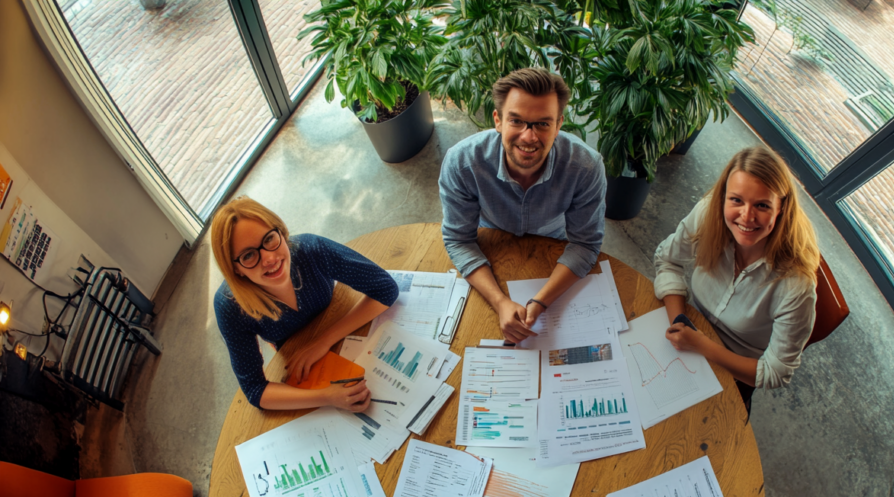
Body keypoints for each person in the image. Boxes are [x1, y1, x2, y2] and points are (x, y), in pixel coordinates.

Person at [439, 67, 607, 343]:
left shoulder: (586, 167)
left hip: (552, 240)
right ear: (498, 120)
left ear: (559, 124)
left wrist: (539, 303)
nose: (529, 137)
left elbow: (585, 244)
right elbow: (458, 239)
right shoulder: (462, 162)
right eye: (516, 121)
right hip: (492, 238)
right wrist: (500, 302)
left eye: (542, 124)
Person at [653, 146, 820, 409]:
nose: (747, 216)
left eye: (762, 205)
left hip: (735, 373)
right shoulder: (709, 213)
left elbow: (775, 373)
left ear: (781, 210)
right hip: (688, 335)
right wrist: (679, 322)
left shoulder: (796, 285)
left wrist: (703, 347)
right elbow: (668, 260)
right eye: (737, 200)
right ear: (723, 197)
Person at [211, 197, 399, 411]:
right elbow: (255, 390)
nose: (269, 258)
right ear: (235, 268)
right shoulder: (230, 306)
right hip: (296, 354)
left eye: (270, 239)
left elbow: (386, 288)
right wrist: (327, 397)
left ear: (281, 231)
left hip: (338, 316)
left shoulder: (311, 250)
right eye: (248, 255)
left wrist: (322, 341)